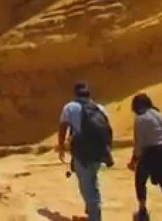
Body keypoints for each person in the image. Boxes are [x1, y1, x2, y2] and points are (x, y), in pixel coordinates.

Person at [57, 82, 113, 221]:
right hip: (99, 152)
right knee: (91, 180)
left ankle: (95, 217)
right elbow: (107, 129)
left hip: (82, 152)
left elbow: (63, 126)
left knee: (87, 186)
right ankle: (91, 211)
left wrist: (61, 147)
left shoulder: (70, 107)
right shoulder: (99, 108)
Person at [128, 94, 162, 221]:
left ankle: (142, 211)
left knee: (140, 180)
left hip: (151, 151)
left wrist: (134, 160)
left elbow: (139, 143)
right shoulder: (161, 116)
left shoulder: (140, 118)